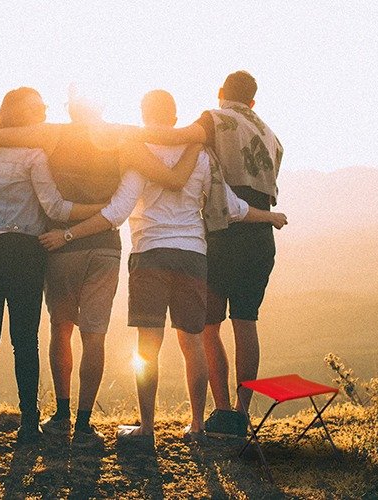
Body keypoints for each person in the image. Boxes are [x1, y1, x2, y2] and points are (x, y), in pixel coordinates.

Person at [38, 89, 287, 445]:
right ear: (175, 117)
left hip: (150, 254)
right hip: (193, 255)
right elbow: (231, 207)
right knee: (193, 342)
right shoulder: (201, 155)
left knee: (148, 346)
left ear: (144, 114)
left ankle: (146, 429)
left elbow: (117, 212)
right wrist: (269, 216)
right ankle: (197, 426)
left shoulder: (139, 154)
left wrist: (68, 234)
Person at [0, 93, 201, 447]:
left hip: (62, 246)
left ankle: (61, 416)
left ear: (70, 109)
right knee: (94, 335)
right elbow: (170, 168)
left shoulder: (53, 133)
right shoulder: (121, 136)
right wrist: (197, 136)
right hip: (105, 248)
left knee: (61, 329)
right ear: (101, 107)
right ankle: (84, 425)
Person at [123, 71, 285, 437]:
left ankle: (221, 411)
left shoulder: (215, 119)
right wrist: (269, 217)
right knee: (246, 322)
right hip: (259, 235)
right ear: (253, 101)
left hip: (223, 232)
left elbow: (175, 137)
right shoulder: (271, 136)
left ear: (221, 92)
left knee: (207, 327)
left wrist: (126, 134)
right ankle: (242, 414)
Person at [0, 87, 105, 444]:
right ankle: (29, 423)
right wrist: (101, 210)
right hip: (22, 252)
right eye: (37, 107)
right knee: (25, 339)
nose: (44, 111)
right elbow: (55, 208)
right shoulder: (34, 155)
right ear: (21, 114)